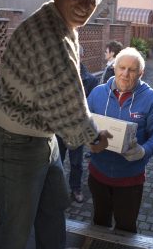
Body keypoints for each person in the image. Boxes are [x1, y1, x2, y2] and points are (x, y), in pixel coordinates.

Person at [0, 0, 112, 248]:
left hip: (43, 138)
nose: (86, 5)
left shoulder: (61, 22)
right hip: (16, 142)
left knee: (53, 210)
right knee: (14, 232)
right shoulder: (48, 34)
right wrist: (94, 138)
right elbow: (67, 102)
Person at [87, 47, 153, 233]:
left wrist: (144, 150)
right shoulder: (97, 93)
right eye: (121, 67)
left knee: (126, 228)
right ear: (114, 68)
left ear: (141, 73)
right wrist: (87, 140)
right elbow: (85, 124)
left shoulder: (151, 99)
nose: (125, 74)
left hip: (130, 180)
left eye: (132, 70)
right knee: (99, 222)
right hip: (98, 174)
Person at [56, 45, 99, 203]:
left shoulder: (90, 80)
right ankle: (57, 190)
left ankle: (75, 188)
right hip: (59, 128)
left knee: (76, 163)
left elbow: (93, 108)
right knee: (57, 162)